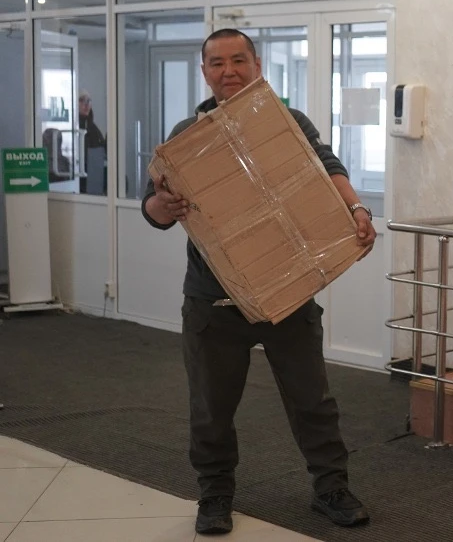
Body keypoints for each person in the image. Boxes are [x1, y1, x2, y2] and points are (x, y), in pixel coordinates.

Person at [141, 29, 377, 536]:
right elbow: (152, 210)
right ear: (204, 71)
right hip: (213, 301)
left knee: (312, 401)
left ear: (257, 65)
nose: (228, 70)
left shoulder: (289, 123)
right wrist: (164, 204)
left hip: (288, 292)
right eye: (217, 62)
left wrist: (356, 209)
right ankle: (214, 495)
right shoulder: (185, 137)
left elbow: (327, 168)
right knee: (211, 408)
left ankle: (331, 488)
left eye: (238, 60)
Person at [77, 91, 106, 194]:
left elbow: (102, 151)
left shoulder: (93, 128)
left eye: (88, 100)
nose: (86, 104)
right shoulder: (72, 128)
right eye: (82, 100)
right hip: (78, 178)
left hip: (94, 177)